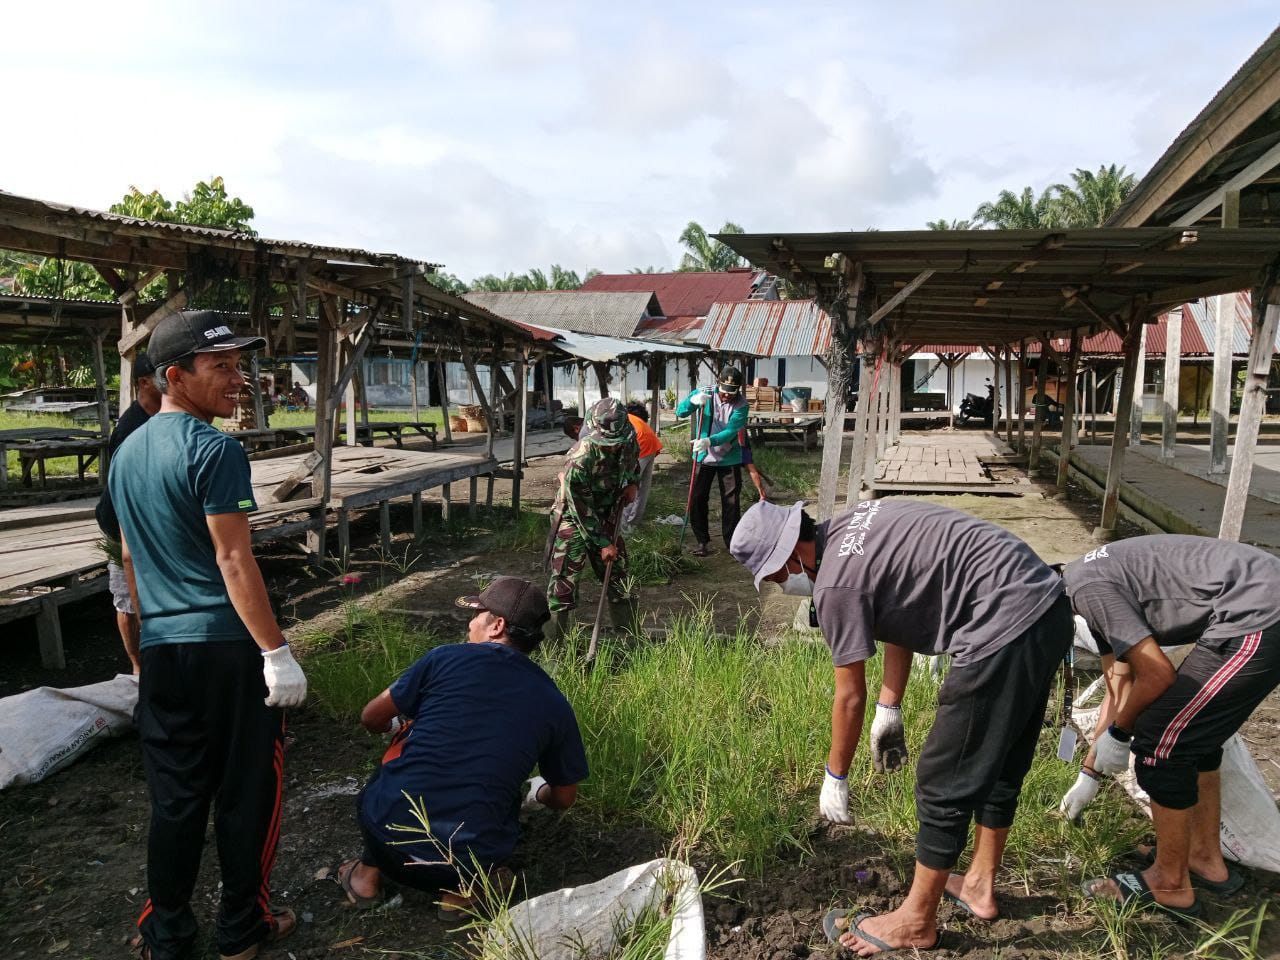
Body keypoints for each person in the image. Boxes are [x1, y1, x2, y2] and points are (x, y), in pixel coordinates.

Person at [729, 499, 1071, 955]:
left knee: (941, 780)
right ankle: (979, 886)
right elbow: (900, 608)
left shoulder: (835, 585)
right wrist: (890, 706)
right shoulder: (854, 523)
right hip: (1045, 602)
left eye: (774, 576)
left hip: (1000, 623)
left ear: (792, 556)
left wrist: (835, 777)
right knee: (1001, 760)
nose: (779, 585)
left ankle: (915, 922)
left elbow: (849, 695)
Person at [112, 310, 307, 960]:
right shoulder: (215, 450)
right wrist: (275, 653)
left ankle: (166, 932)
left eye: (239, 364)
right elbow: (233, 560)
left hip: (165, 654)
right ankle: (241, 928)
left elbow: (133, 562)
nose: (238, 378)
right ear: (174, 376)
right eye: (219, 366)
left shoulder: (125, 455)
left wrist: (141, 653)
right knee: (247, 792)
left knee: (175, 798)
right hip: (227, 651)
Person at [338, 576, 588, 915]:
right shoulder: (554, 702)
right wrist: (537, 794)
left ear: (496, 625)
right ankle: (460, 897)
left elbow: (370, 717)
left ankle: (366, 877)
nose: (470, 624)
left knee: (402, 753)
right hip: (464, 860)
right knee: (500, 795)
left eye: (477, 614)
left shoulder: (443, 658)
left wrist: (399, 725)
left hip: (384, 837)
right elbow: (564, 797)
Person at [1060, 537, 1280, 918]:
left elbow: (1157, 674)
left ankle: (1170, 882)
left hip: (1257, 612)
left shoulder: (1088, 589)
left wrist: (1120, 735)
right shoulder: (1083, 585)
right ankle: (1203, 858)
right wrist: (1089, 774)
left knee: (1161, 747)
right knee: (1193, 738)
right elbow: (1120, 685)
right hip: (1251, 605)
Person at [544, 398, 640, 642]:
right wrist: (603, 544)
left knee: (618, 574)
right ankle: (554, 648)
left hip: (608, 510)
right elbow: (580, 510)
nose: (613, 447)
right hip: (574, 516)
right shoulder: (579, 459)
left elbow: (632, 462)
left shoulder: (627, 438)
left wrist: (632, 483)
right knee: (564, 583)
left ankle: (629, 638)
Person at [95, 351, 161, 676]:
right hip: (121, 519)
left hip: (151, 519)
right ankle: (137, 666)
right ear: (144, 383)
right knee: (129, 600)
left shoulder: (164, 417)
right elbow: (123, 493)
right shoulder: (131, 427)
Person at [675, 367, 749, 556]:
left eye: (731, 394)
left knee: (731, 501)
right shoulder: (704, 393)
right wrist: (692, 402)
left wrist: (710, 441)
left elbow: (731, 431)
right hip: (703, 456)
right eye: (724, 392)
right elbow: (680, 412)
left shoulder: (742, 405)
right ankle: (702, 542)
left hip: (728, 457)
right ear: (718, 384)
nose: (726, 397)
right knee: (697, 498)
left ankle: (732, 542)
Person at [622, 401, 663, 532]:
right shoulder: (638, 421)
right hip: (651, 444)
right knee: (642, 488)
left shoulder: (623, 419)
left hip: (640, 445)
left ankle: (624, 527)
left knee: (628, 487)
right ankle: (633, 524)